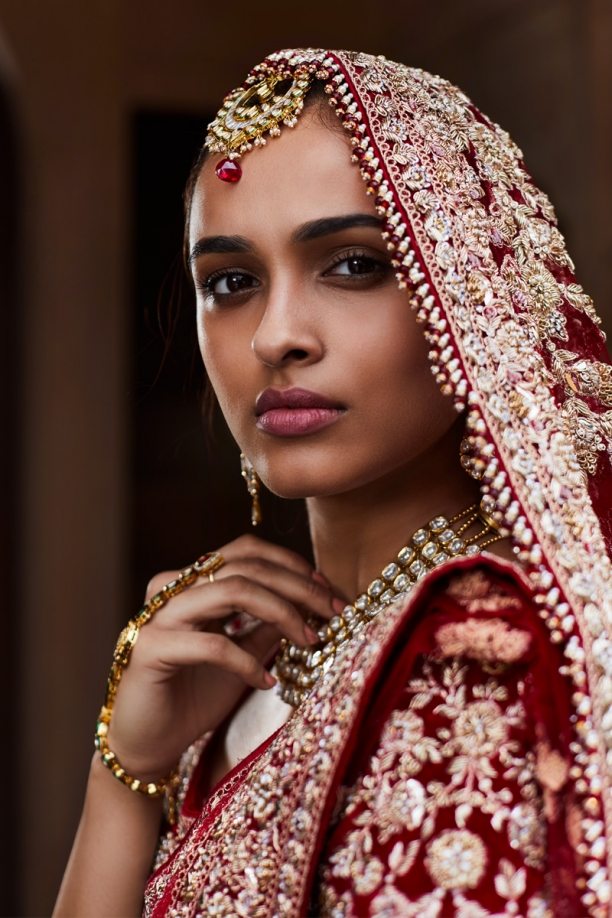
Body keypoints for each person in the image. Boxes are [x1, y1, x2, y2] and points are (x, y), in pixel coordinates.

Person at [54, 48, 612, 918]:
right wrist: (127, 771)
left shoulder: (492, 655)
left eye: (354, 264)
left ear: (467, 293)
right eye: (231, 282)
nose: (276, 336)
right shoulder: (238, 675)